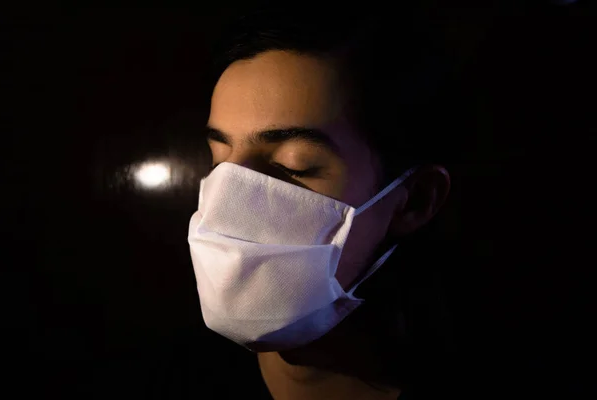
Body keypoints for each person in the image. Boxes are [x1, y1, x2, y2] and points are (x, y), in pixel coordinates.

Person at [188, 5, 463, 399]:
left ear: (414, 201)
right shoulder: (171, 376)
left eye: (292, 166)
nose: (226, 205)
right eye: (219, 160)